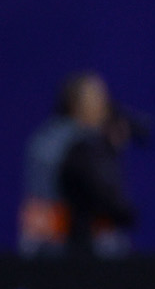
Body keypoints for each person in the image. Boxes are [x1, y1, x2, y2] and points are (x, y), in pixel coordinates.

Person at [21, 71, 136, 258]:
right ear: (76, 103)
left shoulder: (46, 137)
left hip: (48, 247)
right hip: (67, 250)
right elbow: (108, 200)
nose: (104, 105)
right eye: (97, 97)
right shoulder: (77, 146)